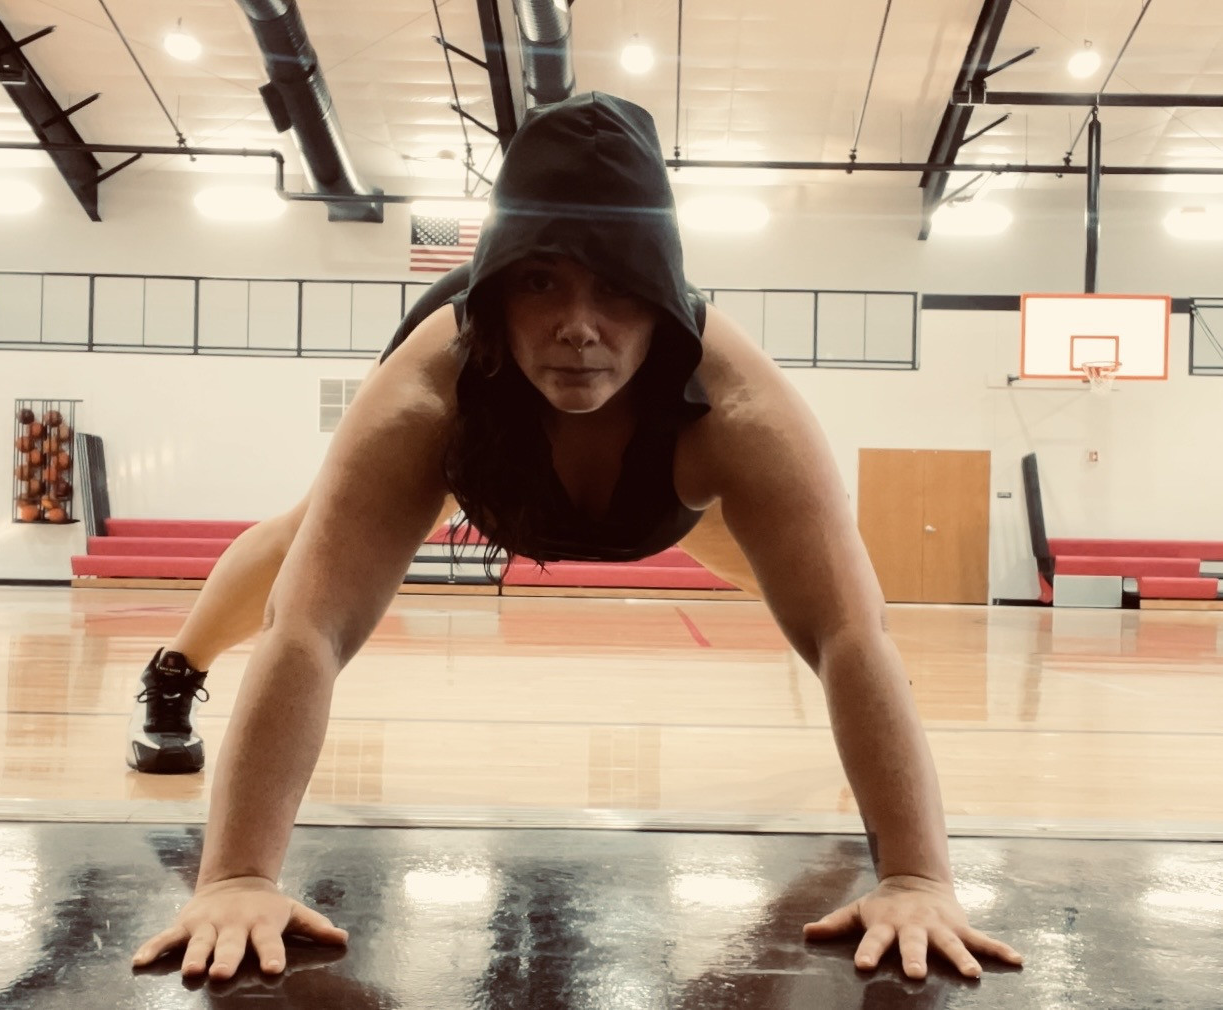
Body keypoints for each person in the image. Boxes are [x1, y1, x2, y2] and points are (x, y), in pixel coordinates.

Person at [129, 92, 1024, 982]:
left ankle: (878, 751)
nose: (578, 328)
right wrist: (238, 877)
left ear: (663, 299)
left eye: (618, 288)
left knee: (840, 615)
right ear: (495, 293)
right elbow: (307, 629)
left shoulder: (739, 413)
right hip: (489, 476)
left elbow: (850, 633)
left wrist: (917, 877)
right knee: (301, 547)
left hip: (668, 504)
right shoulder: (430, 398)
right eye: (540, 282)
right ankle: (175, 672)